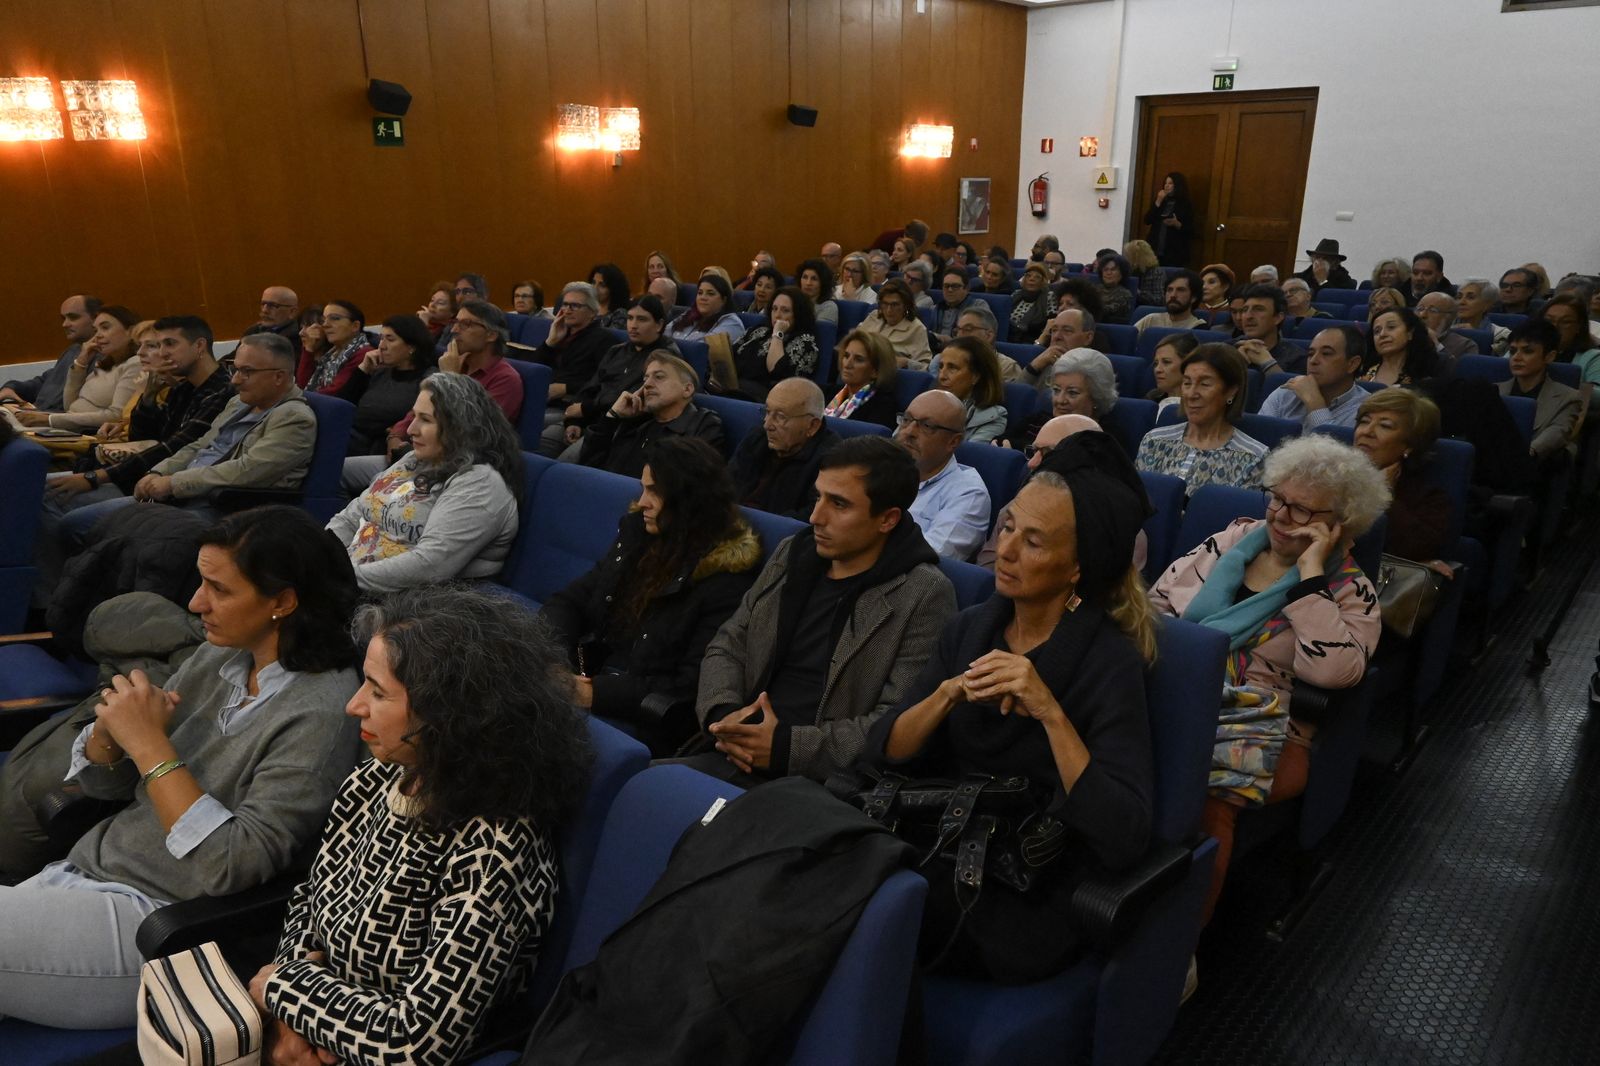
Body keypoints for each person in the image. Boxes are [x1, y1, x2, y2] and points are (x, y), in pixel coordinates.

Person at [0, 505, 361, 1028]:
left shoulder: (322, 712)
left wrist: (150, 747)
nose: (196, 603)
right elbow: (111, 785)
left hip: (161, 928)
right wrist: (109, 737)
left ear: (282, 601)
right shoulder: (224, 657)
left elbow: (232, 865)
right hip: (84, 877)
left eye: (219, 589)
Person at [253, 585, 590, 1065]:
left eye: (377, 691)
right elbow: (313, 898)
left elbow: (416, 1041)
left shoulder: (495, 849)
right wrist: (287, 1023)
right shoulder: (378, 775)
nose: (354, 706)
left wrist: (282, 990)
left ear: (453, 716)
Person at [867, 433, 1159, 980]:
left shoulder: (1108, 662)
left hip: (1020, 889)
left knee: (864, 909)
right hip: (935, 842)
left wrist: (1050, 711)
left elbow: (1122, 833)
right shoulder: (971, 627)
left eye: (1034, 542)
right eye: (1008, 528)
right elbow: (886, 751)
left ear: (1078, 568)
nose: (1004, 551)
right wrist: (948, 692)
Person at [1149, 435, 1387, 923]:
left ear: (1338, 524)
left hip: (1267, 726)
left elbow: (1333, 671)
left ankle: (1177, 948)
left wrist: (1308, 577)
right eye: (1277, 497)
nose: (1279, 515)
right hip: (1181, 693)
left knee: (1206, 794)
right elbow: (1157, 603)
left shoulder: (1350, 590)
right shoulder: (1233, 538)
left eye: (1301, 510)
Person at [685, 435, 957, 784]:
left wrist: (786, 748)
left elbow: (895, 722)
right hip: (731, 747)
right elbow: (729, 642)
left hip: (815, 782)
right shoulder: (793, 553)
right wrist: (726, 715)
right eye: (818, 497)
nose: (816, 516)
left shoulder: (924, 594)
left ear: (887, 519)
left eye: (839, 504)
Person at [59, 332, 316, 550]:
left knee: (103, 534)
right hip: (182, 494)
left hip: (224, 507)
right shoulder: (240, 402)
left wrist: (173, 483)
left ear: (279, 377)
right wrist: (159, 471)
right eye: (234, 369)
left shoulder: (294, 418)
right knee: (75, 522)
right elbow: (199, 444)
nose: (235, 380)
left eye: (246, 372)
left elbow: (246, 471)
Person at [327, 373, 522, 593]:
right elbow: (352, 516)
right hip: (353, 580)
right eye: (415, 417)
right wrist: (319, 554)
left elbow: (428, 566)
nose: (411, 430)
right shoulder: (415, 459)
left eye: (426, 420)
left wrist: (339, 578)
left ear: (460, 427)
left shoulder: (480, 484)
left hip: (407, 603)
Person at [546, 295, 678, 457]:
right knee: (540, 442)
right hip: (587, 419)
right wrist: (574, 422)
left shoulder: (665, 358)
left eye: (642, 319)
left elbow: (633, 399)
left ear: (659, 325)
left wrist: (585, 409)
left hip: (618, 427)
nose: (633, 325)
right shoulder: (617, 350)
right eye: (630, 318)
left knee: (566, 463)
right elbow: (590, 387)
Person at [1136, 342, 1268, 491]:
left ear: (1231, 391)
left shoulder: (1253, 458)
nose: (1191, 394)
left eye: (1204, 384)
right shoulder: (1154, 441)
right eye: (1187, 383)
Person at [578, 352, 724, 477]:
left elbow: (689, 484)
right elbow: (590, 466)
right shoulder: (637, 423)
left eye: (659, 377)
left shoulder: (703, 425)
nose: (647, 384)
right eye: (645, 379)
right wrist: (612, 416)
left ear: (687, 389)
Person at [1353, 389, 1452, 563]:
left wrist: (1384, 494)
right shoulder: (1325, 475)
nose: (1367, 432)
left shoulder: (1427, 498)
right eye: (1364, 421)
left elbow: (1415, 550)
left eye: (1385, 426)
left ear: (1409, 445)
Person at [13, 305, 145, 433]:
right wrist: (81, 363)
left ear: (131, 331)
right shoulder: (105, 364)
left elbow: (117, 415)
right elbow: (70, 406)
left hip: (88, 434)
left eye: (105, 328)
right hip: (68, 428)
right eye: (96, 330)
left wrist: (49, 420)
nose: (97, 336)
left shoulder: (135, 364)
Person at [897, 389, 991, 559]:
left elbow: (928, 557)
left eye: (926, 426)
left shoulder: (969, 494)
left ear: (953, 442)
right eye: (907, 419)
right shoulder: (881, 467)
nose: (909, 432)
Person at [731, 378, 840, 518]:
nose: (767, 425)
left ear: (812, 426)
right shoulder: (757, 437)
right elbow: (726, 484)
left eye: (780, 417)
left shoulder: (831, 459)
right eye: (767, 412)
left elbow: (812, 516)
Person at [332, 314, 437, 456]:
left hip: (377, 447)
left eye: (390, 339)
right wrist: (362, 370)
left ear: (411, 347)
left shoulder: (428, 378)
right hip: (350, 436)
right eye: (381, 338)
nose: (381, 346)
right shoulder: (380, 371)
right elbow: (341, 405)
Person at [1500, 320, 1582, 465]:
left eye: (1528, 351)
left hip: (1530, 467)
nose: (1516, 357)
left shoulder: (1568, 397)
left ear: (1550, 356)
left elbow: (1555, 435)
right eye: (1513, 351)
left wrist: (1519, 456)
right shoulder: (1494, 390)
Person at [1, 295, 103, 411]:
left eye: (73, 317)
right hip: (36, 417)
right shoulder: (72, 350)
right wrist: (12, 388)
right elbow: (44, 381)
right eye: (63, 318)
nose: (64, 324)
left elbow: (79, 411)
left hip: (53, 423)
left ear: (96, 319)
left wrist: (40, 417)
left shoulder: (104, 358)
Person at [717, 286, 819, 402]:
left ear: (798, 314)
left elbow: (775, 369)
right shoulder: (760, 329)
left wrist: (778, 333)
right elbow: (732, 355)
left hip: (764, 399)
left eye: (785, 310)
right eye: (774, 309)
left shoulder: (806, 342)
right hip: (732, 388)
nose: (777, 315)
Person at [1259, 325, 1368, 430]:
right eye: (1311, 354)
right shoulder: (1285, 393)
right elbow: (1258, 441)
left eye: (1326, 353)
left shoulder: (1366, 411)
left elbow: (1335, 448)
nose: (1313, 361)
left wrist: (1315, 404)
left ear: (1352, 364)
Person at [532, 281, 613, 413]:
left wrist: (567, 388)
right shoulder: (560, 334)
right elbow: (534, 368)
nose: (567, 310)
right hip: (543, 399)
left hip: (570, 406)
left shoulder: (604, 340)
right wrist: (550, 343)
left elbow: (604, 383)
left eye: (575, 306)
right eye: (565, 304)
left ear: (592, 312)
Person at [937, 336, 1008, 443]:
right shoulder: (926, 405)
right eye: (941, 366)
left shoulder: (992, 418)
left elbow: (966, 457)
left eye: (952, 368)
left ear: (976, 376)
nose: (942, 376)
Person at [825, 329, 899, 429]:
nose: (847, 364)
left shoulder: (883, 406)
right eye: (846, 356)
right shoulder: (827, 392)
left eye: (858, 359)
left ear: (875, 371)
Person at [297, 300, 373, 395]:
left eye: (334, 318)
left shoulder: (363, 354)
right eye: (324, 320)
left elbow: (334, 394)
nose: (325, 325)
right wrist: (308, 349)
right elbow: (302, 387)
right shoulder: (330, 355)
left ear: (355, 326)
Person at [859, 277, 934, 370]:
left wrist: (906, 362)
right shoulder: (874, 316)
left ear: (906, 305)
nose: (889, 310)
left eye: (894, 305)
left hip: (888, 374)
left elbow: (925, 367)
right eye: (885, 304)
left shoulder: (917, 328)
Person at [1232, 284, 1307, 373]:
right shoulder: (1228, 349)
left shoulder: (1296, 357)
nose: (1248, 316)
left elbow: (1288, 387)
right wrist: (1234, 363)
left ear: (1278, 318)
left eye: (1258, 309)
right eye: (1245, 310)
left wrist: (1267, 363)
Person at [1019, 307, 1098, 386]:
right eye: (1054, 330)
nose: (1057, 337)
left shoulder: (1096, 369)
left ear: (1088, 338)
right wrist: (1033, 368)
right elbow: (1016, 394)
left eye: (1067, 330)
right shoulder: (1043, 363)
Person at [1362, 307, 1441, 386]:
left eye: (1391, 327)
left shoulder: (1432, 369)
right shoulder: (1362, 369)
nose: (1382, 334)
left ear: (1410, 333)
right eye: (1377, 331)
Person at [665, 273, 747, 344]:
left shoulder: (731, 323)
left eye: (710, 294)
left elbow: (701, 349)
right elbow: (664, 334)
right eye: (700, 293)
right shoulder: (689, 314)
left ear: (724, 300)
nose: (703, 298)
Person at [1541, 293, 1600, 388]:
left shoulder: (1593, 357)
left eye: (1565, 322)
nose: (1555, 326)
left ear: (1579, 326)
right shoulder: (1523, 348)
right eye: (1549, 320)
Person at [1143, 170, 1194, 266]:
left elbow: (1190, 229)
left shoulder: (1185, 203)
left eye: (1170, 183)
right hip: (1155, 246)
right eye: (1165, 183)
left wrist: (1177, 224)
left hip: (1174, 249)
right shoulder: (1161, 201)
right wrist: (1158, 201)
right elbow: (1147, 220)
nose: (1166, 186)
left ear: (1177, 185)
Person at [1415, 291, 1477, 368]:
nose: (1422, 315)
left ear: (1450, 318)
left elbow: (1458, 374)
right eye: (1420, 309)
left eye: (1433, 310)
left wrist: (1437, 345)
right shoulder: (1404, 338)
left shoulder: (1465, 345)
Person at [1134, 269, 1205, 334]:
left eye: (1181, 290)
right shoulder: (1151, 320)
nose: (1173, 295)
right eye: (1169, 290)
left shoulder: (1198, 327)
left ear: (1193, 298)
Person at [1146, 332, 1199, 414]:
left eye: (1166, 362)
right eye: (1156, 363)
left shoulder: (1198, 407)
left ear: (1188, 364)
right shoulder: (1152, 398)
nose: (1157, 369)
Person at [1455, 277, 1510, 354]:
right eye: (1459, 297)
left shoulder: (1501, 335)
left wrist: (1476, 336)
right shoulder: (1444, 327)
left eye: (1470, 297)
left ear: (1487, 305)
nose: (1461, 302)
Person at [932, 267, 981, 348]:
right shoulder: (935, 308)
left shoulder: (978, 306)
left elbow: (979, 339)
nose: (950, 290)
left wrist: (951, 341)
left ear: (967, 288)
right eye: (946, 286)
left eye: (955, 286)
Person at [1008, 263, 1057, 343]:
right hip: (1009, 336)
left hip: (1032, 340)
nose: (1032, 279)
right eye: (1028, 276)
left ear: (1043, 281)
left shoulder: (1049, 296)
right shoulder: (1016, 294)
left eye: (1037, 277)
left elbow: (1052, 322)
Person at [1092, 254, 1135, 325]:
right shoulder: (1094, 289)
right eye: (1105, 269)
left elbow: (1110, 310)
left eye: (1113, 269)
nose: (1109, 273)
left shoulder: (1125, 294)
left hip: (1111, 328)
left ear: (1122, 273)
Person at [588, 262, 633, 329]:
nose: (595, 288)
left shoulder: (620, 314)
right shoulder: (587, 310)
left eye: (602, 285)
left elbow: (608, 338)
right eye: (593, 282)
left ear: (613, 289)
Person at [796, 257, 839, 325]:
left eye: (814, 279)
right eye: (805, 277)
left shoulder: (829, 307)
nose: (808, 283)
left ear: (823, 283)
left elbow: (820, 333)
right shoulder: (794, 302)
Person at [1124, 240, 1167, 307]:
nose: (1126, 259)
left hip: (1148, 310)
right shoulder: (1130, 270)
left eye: (1128, 256)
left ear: (1136, 257)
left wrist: (1138, 293)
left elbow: (1159, 300)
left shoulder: (1156, 272)